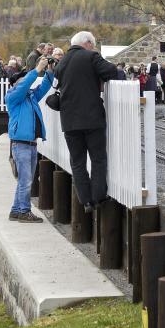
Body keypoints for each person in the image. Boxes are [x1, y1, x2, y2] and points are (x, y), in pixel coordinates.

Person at [53, 31, 118, 213]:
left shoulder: (61, 62)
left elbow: (56, 87)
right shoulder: (91, 57)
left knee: (77, 161)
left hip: (69, 120)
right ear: (87, 43)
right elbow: (111, 71)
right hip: (92, 118)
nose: (94, 48)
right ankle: (98, 197)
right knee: (98, 158)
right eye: (93, 45)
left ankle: (85, 200)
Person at [6, 56, 54, 223]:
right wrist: (36, 69)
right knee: (26, 181)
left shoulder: (30, 96)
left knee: (25, 181)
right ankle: (24, 211)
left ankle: (15, 210)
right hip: (21, 145)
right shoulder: (13, 96)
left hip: (31, 144)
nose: (27, 82)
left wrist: (49, 71)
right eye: (23, 80)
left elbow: (45, 86)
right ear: (15, 84)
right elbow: (26, 85)